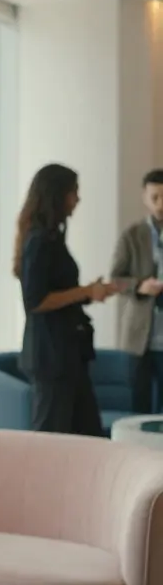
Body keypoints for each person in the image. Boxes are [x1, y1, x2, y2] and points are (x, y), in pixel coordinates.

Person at [17, 163, 115, 435]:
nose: (78, 199)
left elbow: (59, 292)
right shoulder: (38, 240)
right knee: (51, 440)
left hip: (68, 355)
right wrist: (84, 292)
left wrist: (90, 292)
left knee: (88, 437)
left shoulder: (52, 238)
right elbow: (36, 301)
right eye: (74, 192)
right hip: (51, 358)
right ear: (57, 195)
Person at [111, 169, 163, 413]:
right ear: (144, 197)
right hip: (138, 337)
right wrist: (140, 286)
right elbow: (115, 279)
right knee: (138, 406)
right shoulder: (132, 236)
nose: (160, 205)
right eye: (155, 198)